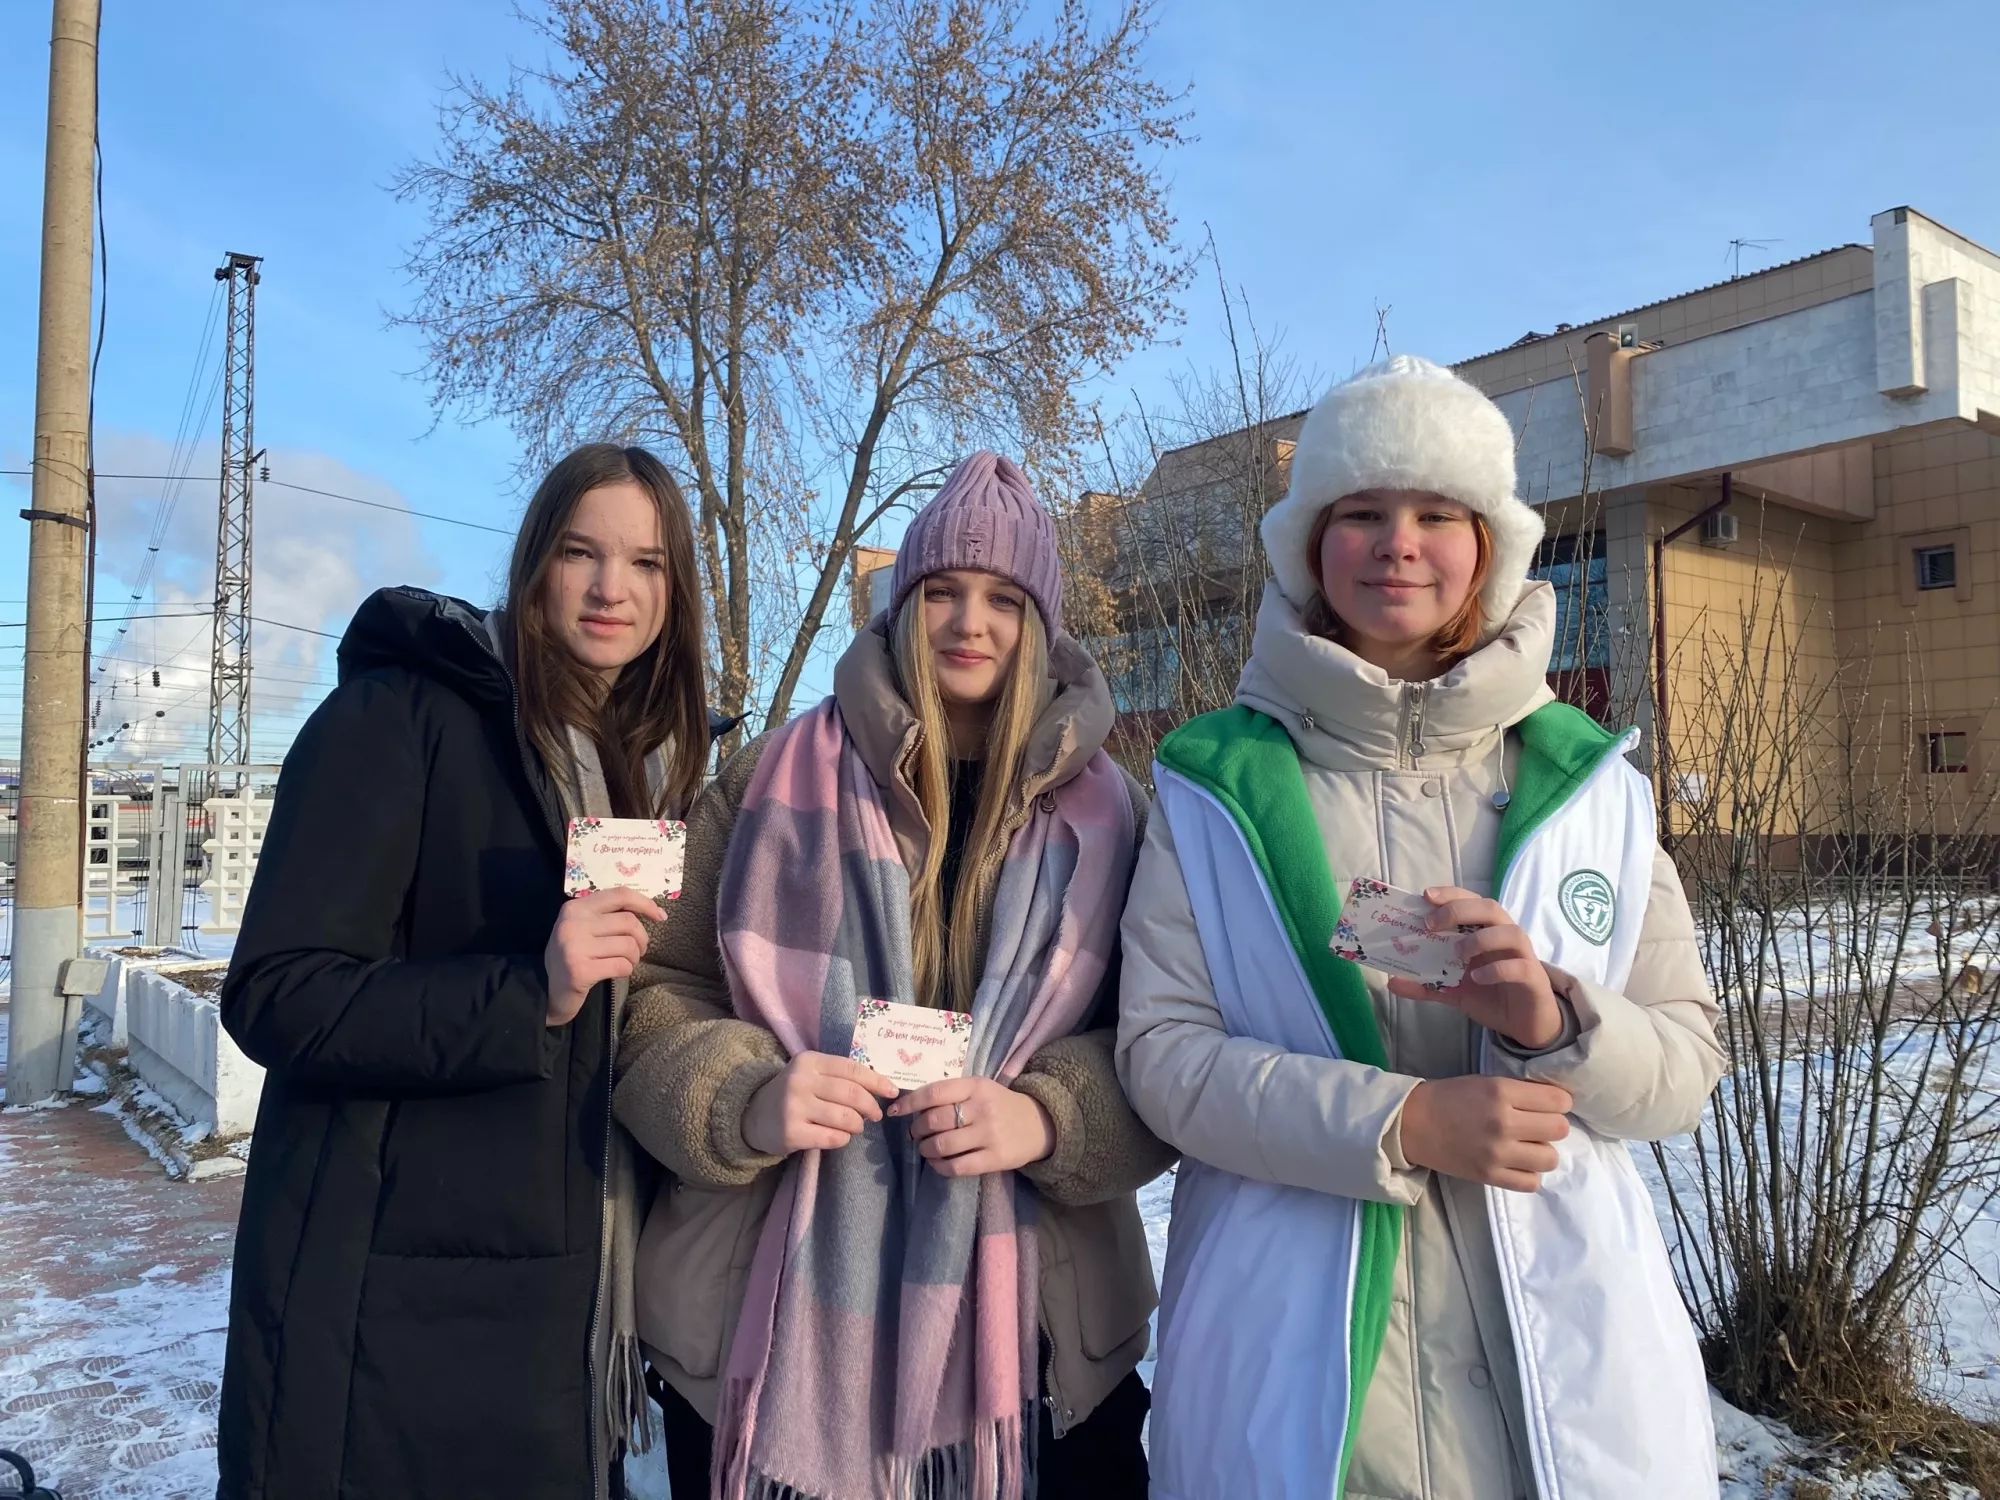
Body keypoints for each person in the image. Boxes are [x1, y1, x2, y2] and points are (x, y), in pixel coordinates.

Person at [1116, 356, 1727, 1500]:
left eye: (1436, 514)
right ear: (1310, 544)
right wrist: (1402, 1123)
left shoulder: (1591, 787)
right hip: (1298, 1376)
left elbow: (1684, 1068)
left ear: (1485, 547)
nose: (1397, 543)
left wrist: (1556, 1023)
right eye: (1360, 511)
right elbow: (1162, 1059)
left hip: (1563, 1383)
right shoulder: (1209, 785)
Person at [614, 450, 1173, 1500]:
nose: (969, 622)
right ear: (902, 605)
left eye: (1003, 598)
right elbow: (653, 988)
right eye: (942, 590)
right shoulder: (769, 777)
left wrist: (1050, 1118)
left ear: (1041, 623)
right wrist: (745, 1096)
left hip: (1040, 1346)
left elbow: (1166, 1038)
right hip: (761, 1311)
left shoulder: (1116, 816)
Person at [216, 443, 711, 1500]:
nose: (611, 588)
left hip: (563, 1307)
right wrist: (530, 992)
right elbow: (275, 991)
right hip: (389, 1308)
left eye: (647, 563)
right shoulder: (401, 717)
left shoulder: (657, 772)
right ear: (533, 563)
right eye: (580, 552)